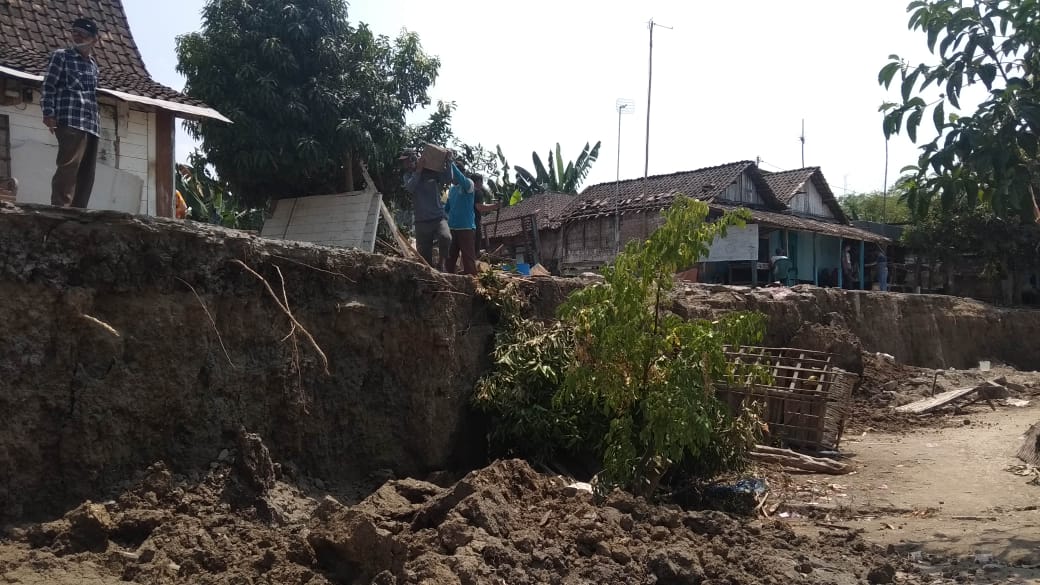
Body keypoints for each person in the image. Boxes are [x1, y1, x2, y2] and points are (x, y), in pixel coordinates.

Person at [42, 18, 101, 209]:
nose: (77, 36)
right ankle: (60, 208)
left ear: (94, 39)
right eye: (74, 32)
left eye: (82, 33)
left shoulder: (93, 65)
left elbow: (91, 95)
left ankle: (78, 212)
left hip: (91, 124)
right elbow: (48, 86)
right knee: (68, 166)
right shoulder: (61, 56)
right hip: (70, 120)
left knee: (87, 172)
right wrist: (48, 113)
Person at [401, 148, 452, 270]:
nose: (405, 164)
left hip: (438, 217)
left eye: (407, 161)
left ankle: (441, 264)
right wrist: (418, 171)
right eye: (404, 162)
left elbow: (448, 179)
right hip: (421, 221)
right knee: (425, 258)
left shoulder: (431, 172)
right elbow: (410, 187)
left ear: (414, 159)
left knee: (446, 237)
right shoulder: (407, 176)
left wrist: (449, 161)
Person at [444, 167, 480, 275]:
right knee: (449, 259)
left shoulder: (469, 184)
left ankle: (472, 283)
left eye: (453, 174)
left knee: (468, 260)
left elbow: (461, 178)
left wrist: (451, 163)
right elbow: (447, 208)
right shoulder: (451, 190)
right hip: (453, 228)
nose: (452, 177)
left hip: (466, 228)